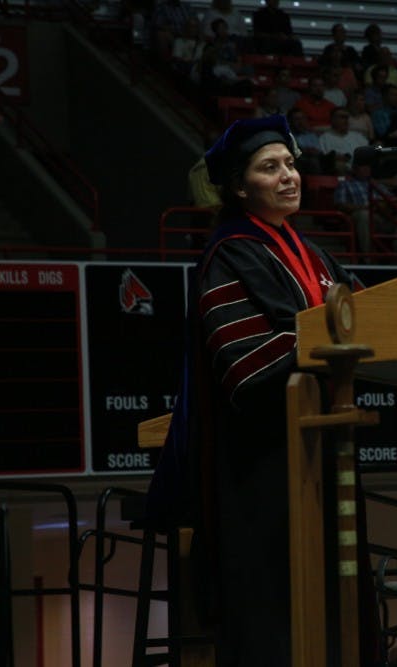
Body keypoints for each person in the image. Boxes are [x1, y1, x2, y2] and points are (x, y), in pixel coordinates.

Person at [148, 115, 370, 666]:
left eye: (291, 164)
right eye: (270, 168)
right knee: (277, 617)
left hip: (324, 450)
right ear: (241, 186)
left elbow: (368, 319)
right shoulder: (229, 254)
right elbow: (243, 367)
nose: (289, 176)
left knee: (338, 603)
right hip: (263, 469)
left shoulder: (315, 256)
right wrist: (325, 337)